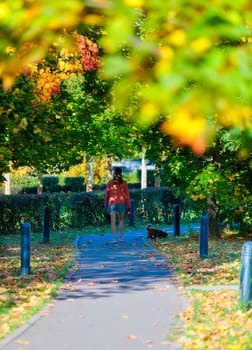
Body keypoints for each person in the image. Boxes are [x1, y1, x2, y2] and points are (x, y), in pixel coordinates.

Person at [105, 167, 131, 242]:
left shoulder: (110, 182)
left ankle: (114, 239)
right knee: (121, 220)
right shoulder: (124, 183)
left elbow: (107, 194)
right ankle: (121, 238)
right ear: (121, 173)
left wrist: (106, 205)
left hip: (112, 203)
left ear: (114, 173)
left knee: (113, 222)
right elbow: (127, 195)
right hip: (122, 203)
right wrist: (128, 206)